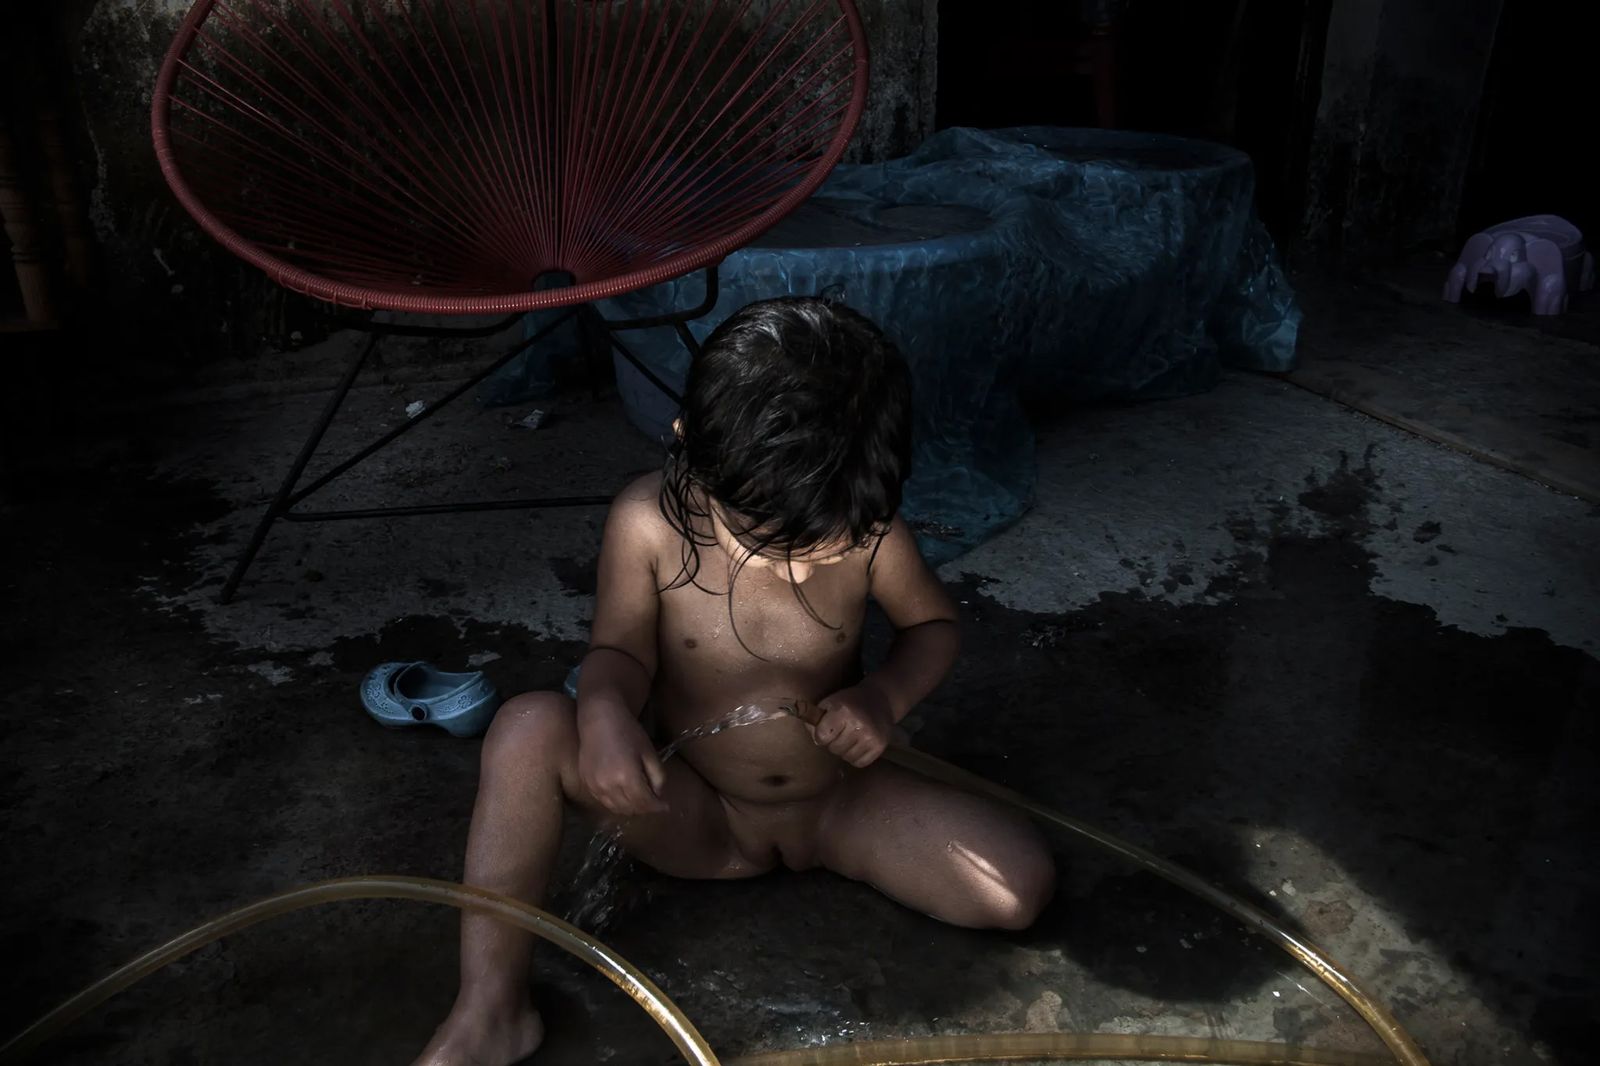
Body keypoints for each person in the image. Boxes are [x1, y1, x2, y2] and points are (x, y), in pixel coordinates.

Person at [416, 297, 1055, 1065]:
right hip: (695, 812)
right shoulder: (647, 524)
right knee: (525, 728)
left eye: (821, 547)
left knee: (1018, 888)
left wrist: (885, 698)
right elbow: (619, 652)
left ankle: (843, 840)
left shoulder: (870, 529)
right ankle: (492, 1007)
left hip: (837, 806)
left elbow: (933, 629)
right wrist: (607, 717)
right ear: (693, 449)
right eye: (767, 539)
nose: (795, 567)